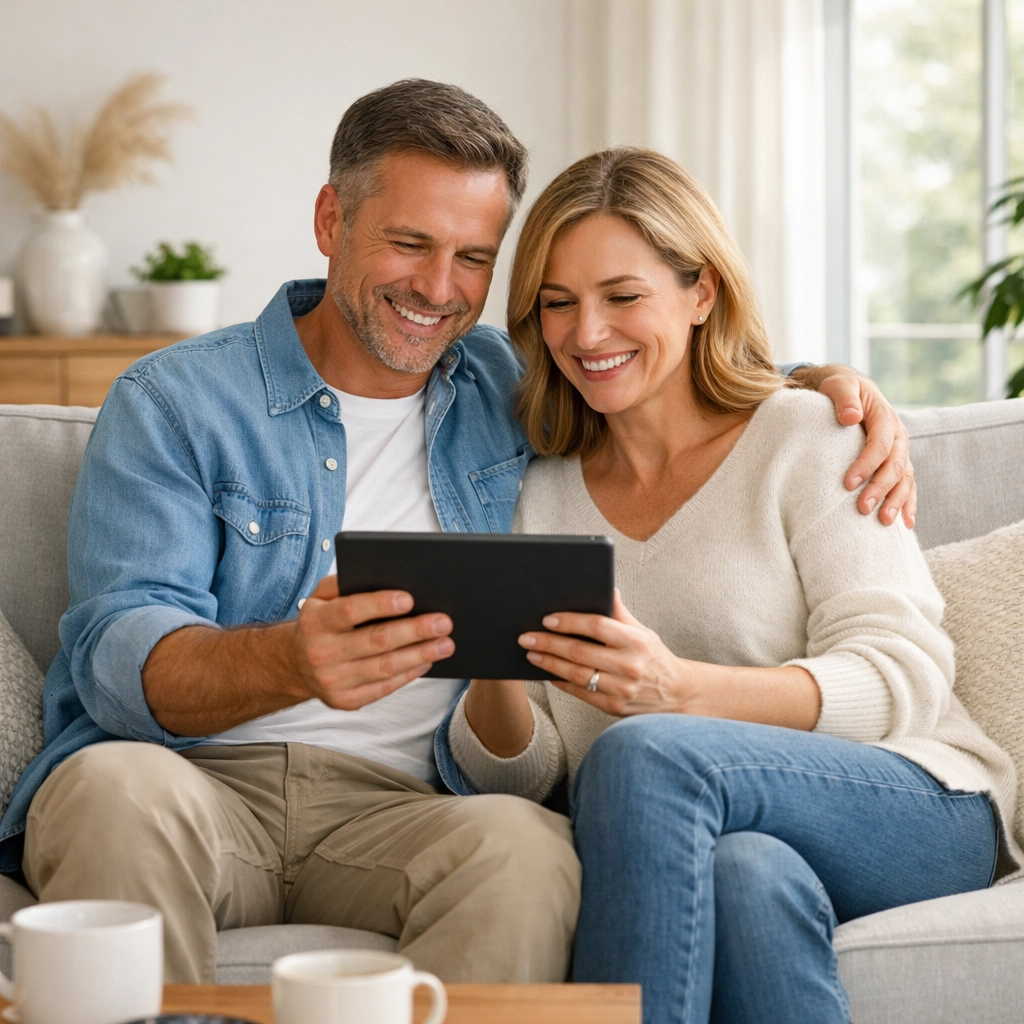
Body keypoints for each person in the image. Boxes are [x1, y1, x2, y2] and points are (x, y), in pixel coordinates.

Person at [0, 81, 912, 986]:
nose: (439, 290)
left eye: (474, 258)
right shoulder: (176, 401)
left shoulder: (504, 385)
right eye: (409, 244)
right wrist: (289, 659)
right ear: (331, 220)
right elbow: (117, 658)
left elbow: (655, 366)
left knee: (528, 851)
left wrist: (830, 385)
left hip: (410, 808)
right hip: (190, 782)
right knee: (109, 792)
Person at [444, 147, 1020, 1023]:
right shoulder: (539, 493)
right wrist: (492, 654)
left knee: (644, 748)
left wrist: (678, 692)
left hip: (911, 800)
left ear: (701, 292)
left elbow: (905, 678)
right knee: (744, 877)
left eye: (623, 296)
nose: (586, 333)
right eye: (556, 303)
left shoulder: (810, 438)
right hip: (720, 835)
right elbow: (531, 777)